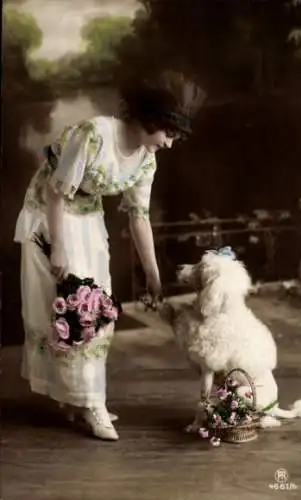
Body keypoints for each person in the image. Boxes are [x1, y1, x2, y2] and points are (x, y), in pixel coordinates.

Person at [14, 72, 205, 441]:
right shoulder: (95, 134)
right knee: (74, 310)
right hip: (49, 215)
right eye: (168, 134)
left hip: (86, 219)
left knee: (96, 310)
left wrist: (152, 274)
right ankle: (89, 403)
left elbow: (139, 216)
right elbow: (56, 193)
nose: (169, 144)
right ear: (149, 123)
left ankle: (81, 399)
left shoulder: (146, 159)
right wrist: (60, 246)